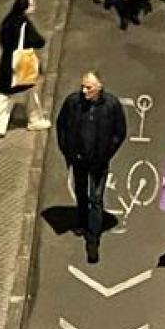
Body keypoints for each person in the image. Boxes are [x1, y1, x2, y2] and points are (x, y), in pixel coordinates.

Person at [55, 71, 128, 263]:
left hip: (99, 161)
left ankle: (93, 236)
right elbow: (61, 126)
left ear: (99, 88)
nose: (84, 90)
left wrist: (107, 153)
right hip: (78, 159)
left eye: (89, 87)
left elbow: (120, 132)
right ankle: (81, 221)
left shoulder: (110, 105)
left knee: (96, 198)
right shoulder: (73, 103)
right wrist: (68, 151)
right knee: (80, 192)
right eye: (83, 86)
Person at [0, 0, 50, 139]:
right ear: (25, 8)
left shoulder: (7, 21)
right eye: (32, 5)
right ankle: (35, 119)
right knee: (33, 91)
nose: (34, 7)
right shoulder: (24, 24)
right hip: (22, 64)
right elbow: (39, 41)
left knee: (5, 95)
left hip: (7, 63)